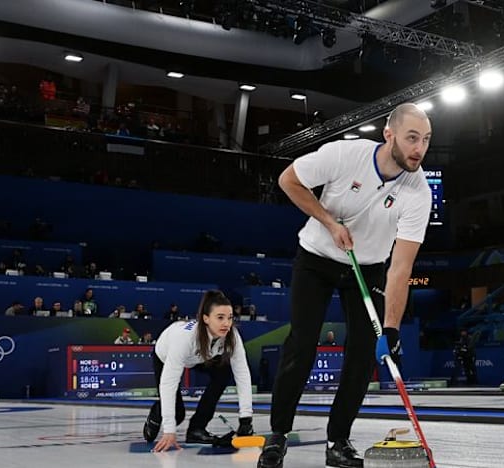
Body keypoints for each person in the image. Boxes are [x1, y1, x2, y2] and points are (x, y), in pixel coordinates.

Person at [257, 103, 433, 468]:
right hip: (317, 257)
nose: (420, 148)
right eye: (412, 138)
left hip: (366, 268)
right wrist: (329, 222)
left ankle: (338, 441)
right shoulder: (344, 155)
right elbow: (288, 180)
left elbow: (401, 267)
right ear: (389, 135)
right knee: (302, 344)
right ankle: (278, 434)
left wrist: (391, 328)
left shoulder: (418, 192)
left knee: (363, 354)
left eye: (426, 140)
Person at [143, 290, 254, 452]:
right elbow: (168, 383)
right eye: (220, 317)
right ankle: (156, 413)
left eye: (230, 318)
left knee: (223, 373)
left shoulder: (232, 336)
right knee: (178, 414)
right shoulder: (185, 339)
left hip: (201, 358)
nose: (226, 323)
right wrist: (169, 431)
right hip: (164, 356)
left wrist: (246, 419)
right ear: (206, 318)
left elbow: (242, 373)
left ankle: (197, 428)